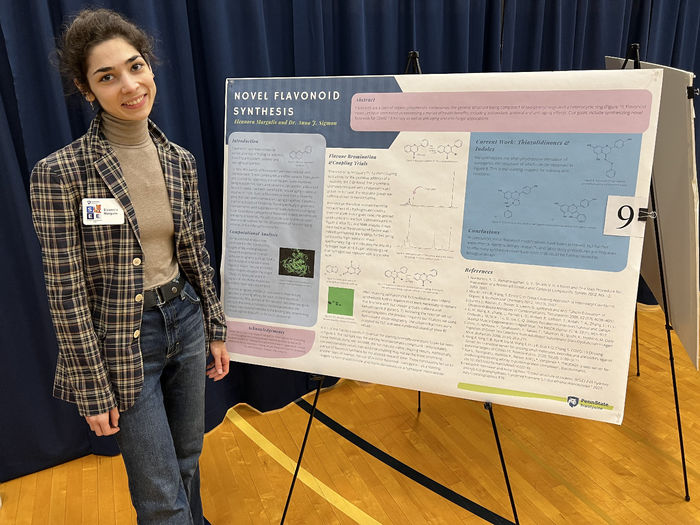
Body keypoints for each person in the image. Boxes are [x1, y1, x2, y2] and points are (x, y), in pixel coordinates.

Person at [30, 8, 228, 524]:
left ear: (151, 68)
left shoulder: (179, 160)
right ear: (86, 89)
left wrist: (214, 327)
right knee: (160, 493)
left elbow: (196, 253)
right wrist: (93, 388)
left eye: (135, 66)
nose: (129, 85)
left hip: (183, 317)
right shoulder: (60, 174)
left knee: (188, 460)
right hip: (123, 338)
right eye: (107, 76)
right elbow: (65, 291)